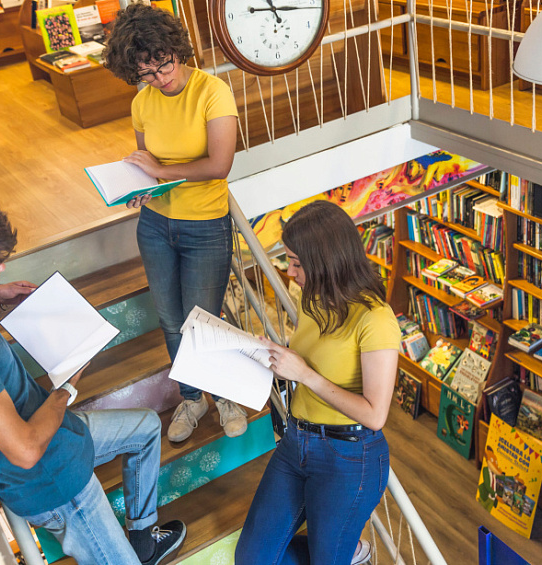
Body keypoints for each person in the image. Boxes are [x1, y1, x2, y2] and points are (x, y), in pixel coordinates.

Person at [0, 183, 185, 565]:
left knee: (146, 428)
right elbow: (25, 451)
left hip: (59, 434)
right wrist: (67, 387)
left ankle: (142, 539)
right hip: (53, 481)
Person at [104, 3, 247, 443]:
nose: (160, 77)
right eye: (146, 73)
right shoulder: (142, 102)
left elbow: (219, 165)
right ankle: (193, 397)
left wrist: (160, 172)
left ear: (176, 49)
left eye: (163, 64)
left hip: (204, 225)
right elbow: (147, 165)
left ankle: (225, 396)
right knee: (171, 322)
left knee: (202, 319)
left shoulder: (212, 92)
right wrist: (140, 186)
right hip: (155, 225)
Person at [235, 201, 402, 565]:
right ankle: (344, 551)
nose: (290, 271)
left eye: (297, 262)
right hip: (297, 442)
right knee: (251, 558)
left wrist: (305, 375)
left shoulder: (376, 319)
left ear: (326, 260)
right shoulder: (313, 300)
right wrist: (276, 360)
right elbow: (308, 361)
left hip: (349, 456)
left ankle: (343, 552)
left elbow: (375, 415)